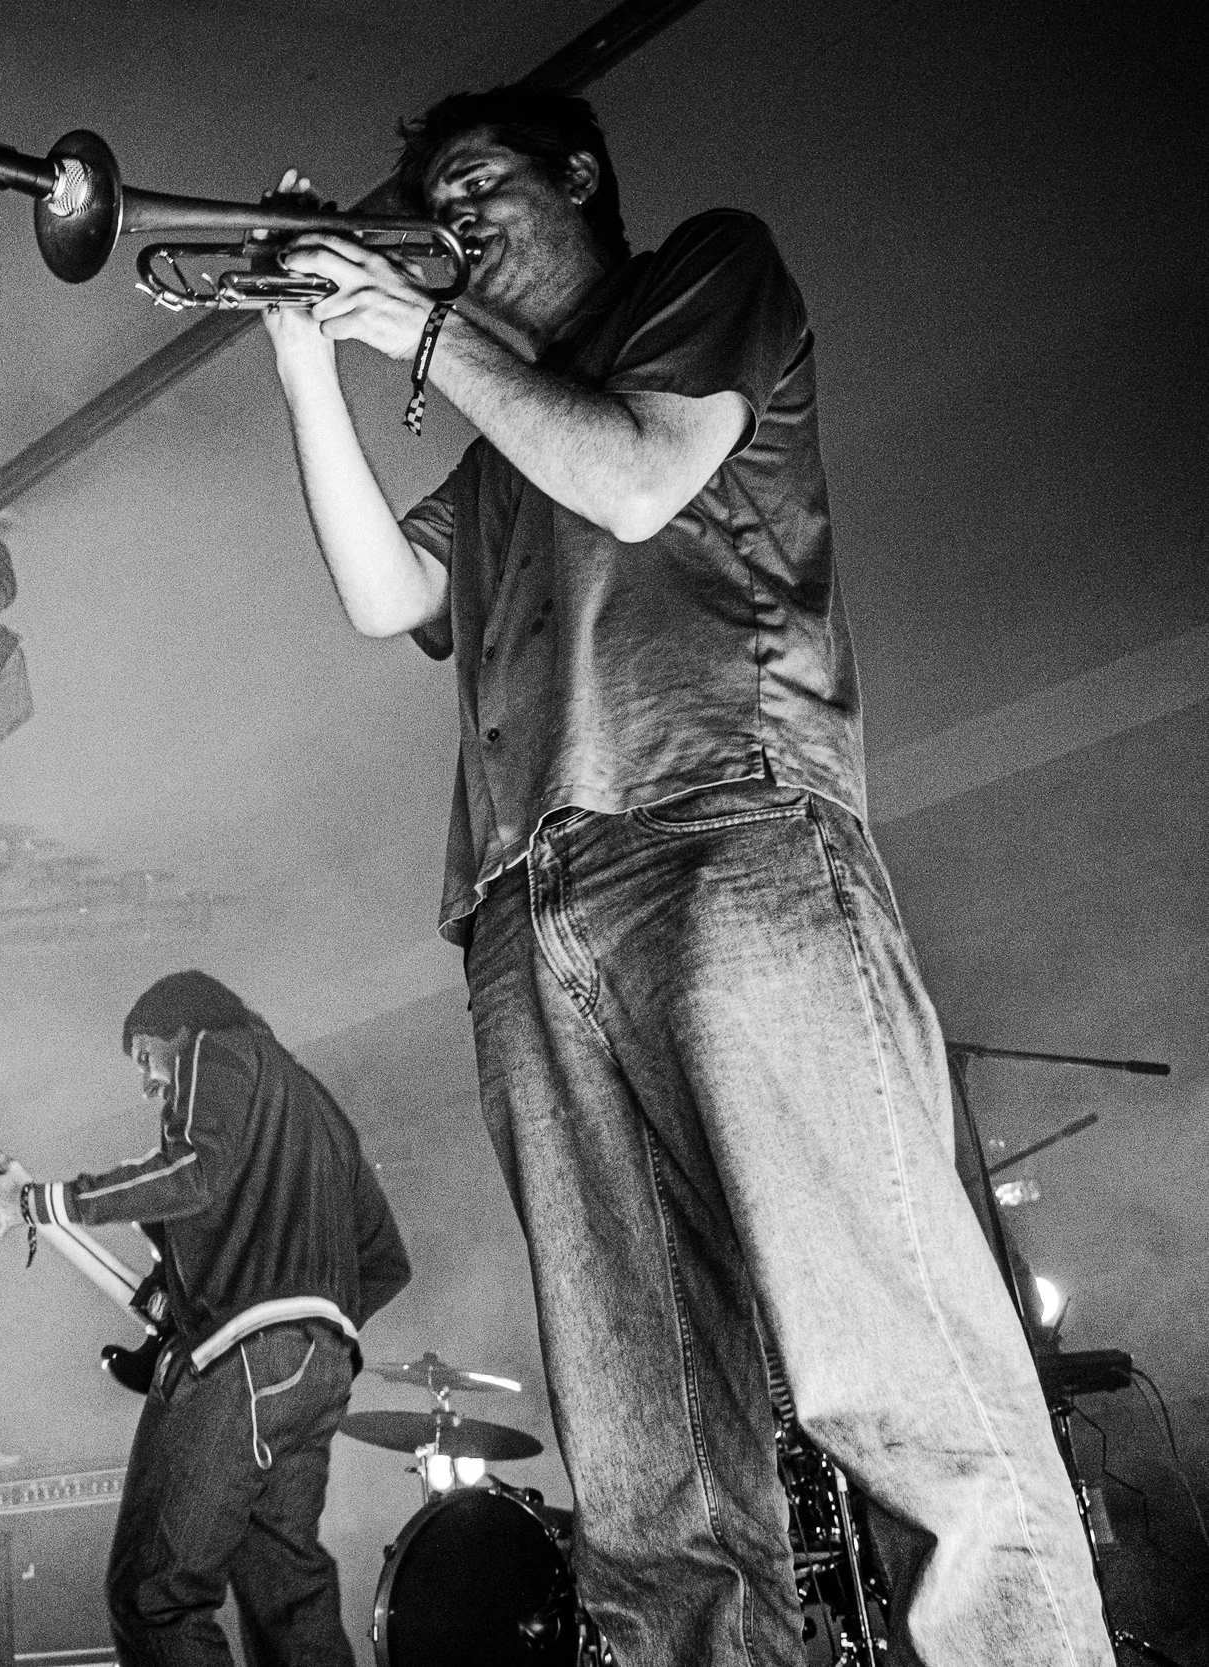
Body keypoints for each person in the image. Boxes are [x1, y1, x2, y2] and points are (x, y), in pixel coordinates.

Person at [260, 85, 1109, 1667]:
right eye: (432, 204)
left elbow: (642, 476)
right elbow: (384, 595)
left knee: (900, 1379)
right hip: (523, 905)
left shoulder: (708, 272)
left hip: (722, 837)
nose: (450, 219)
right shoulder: (504, 436)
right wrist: (307, 357)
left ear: (581, 174)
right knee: (650, 1476)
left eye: (478, 182)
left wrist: (419, 330)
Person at [7, 971, 409, 1667]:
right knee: (289, 1601)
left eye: (145, 1055)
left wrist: (46, 1202)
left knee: (156, 1597)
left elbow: (192, 1170)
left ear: (180, 1027)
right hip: (321, 1373)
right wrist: (312, 1332)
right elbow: (387, 1262)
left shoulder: (216, 1048)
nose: (147, 1083)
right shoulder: (319, 1109)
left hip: (242, 1363)